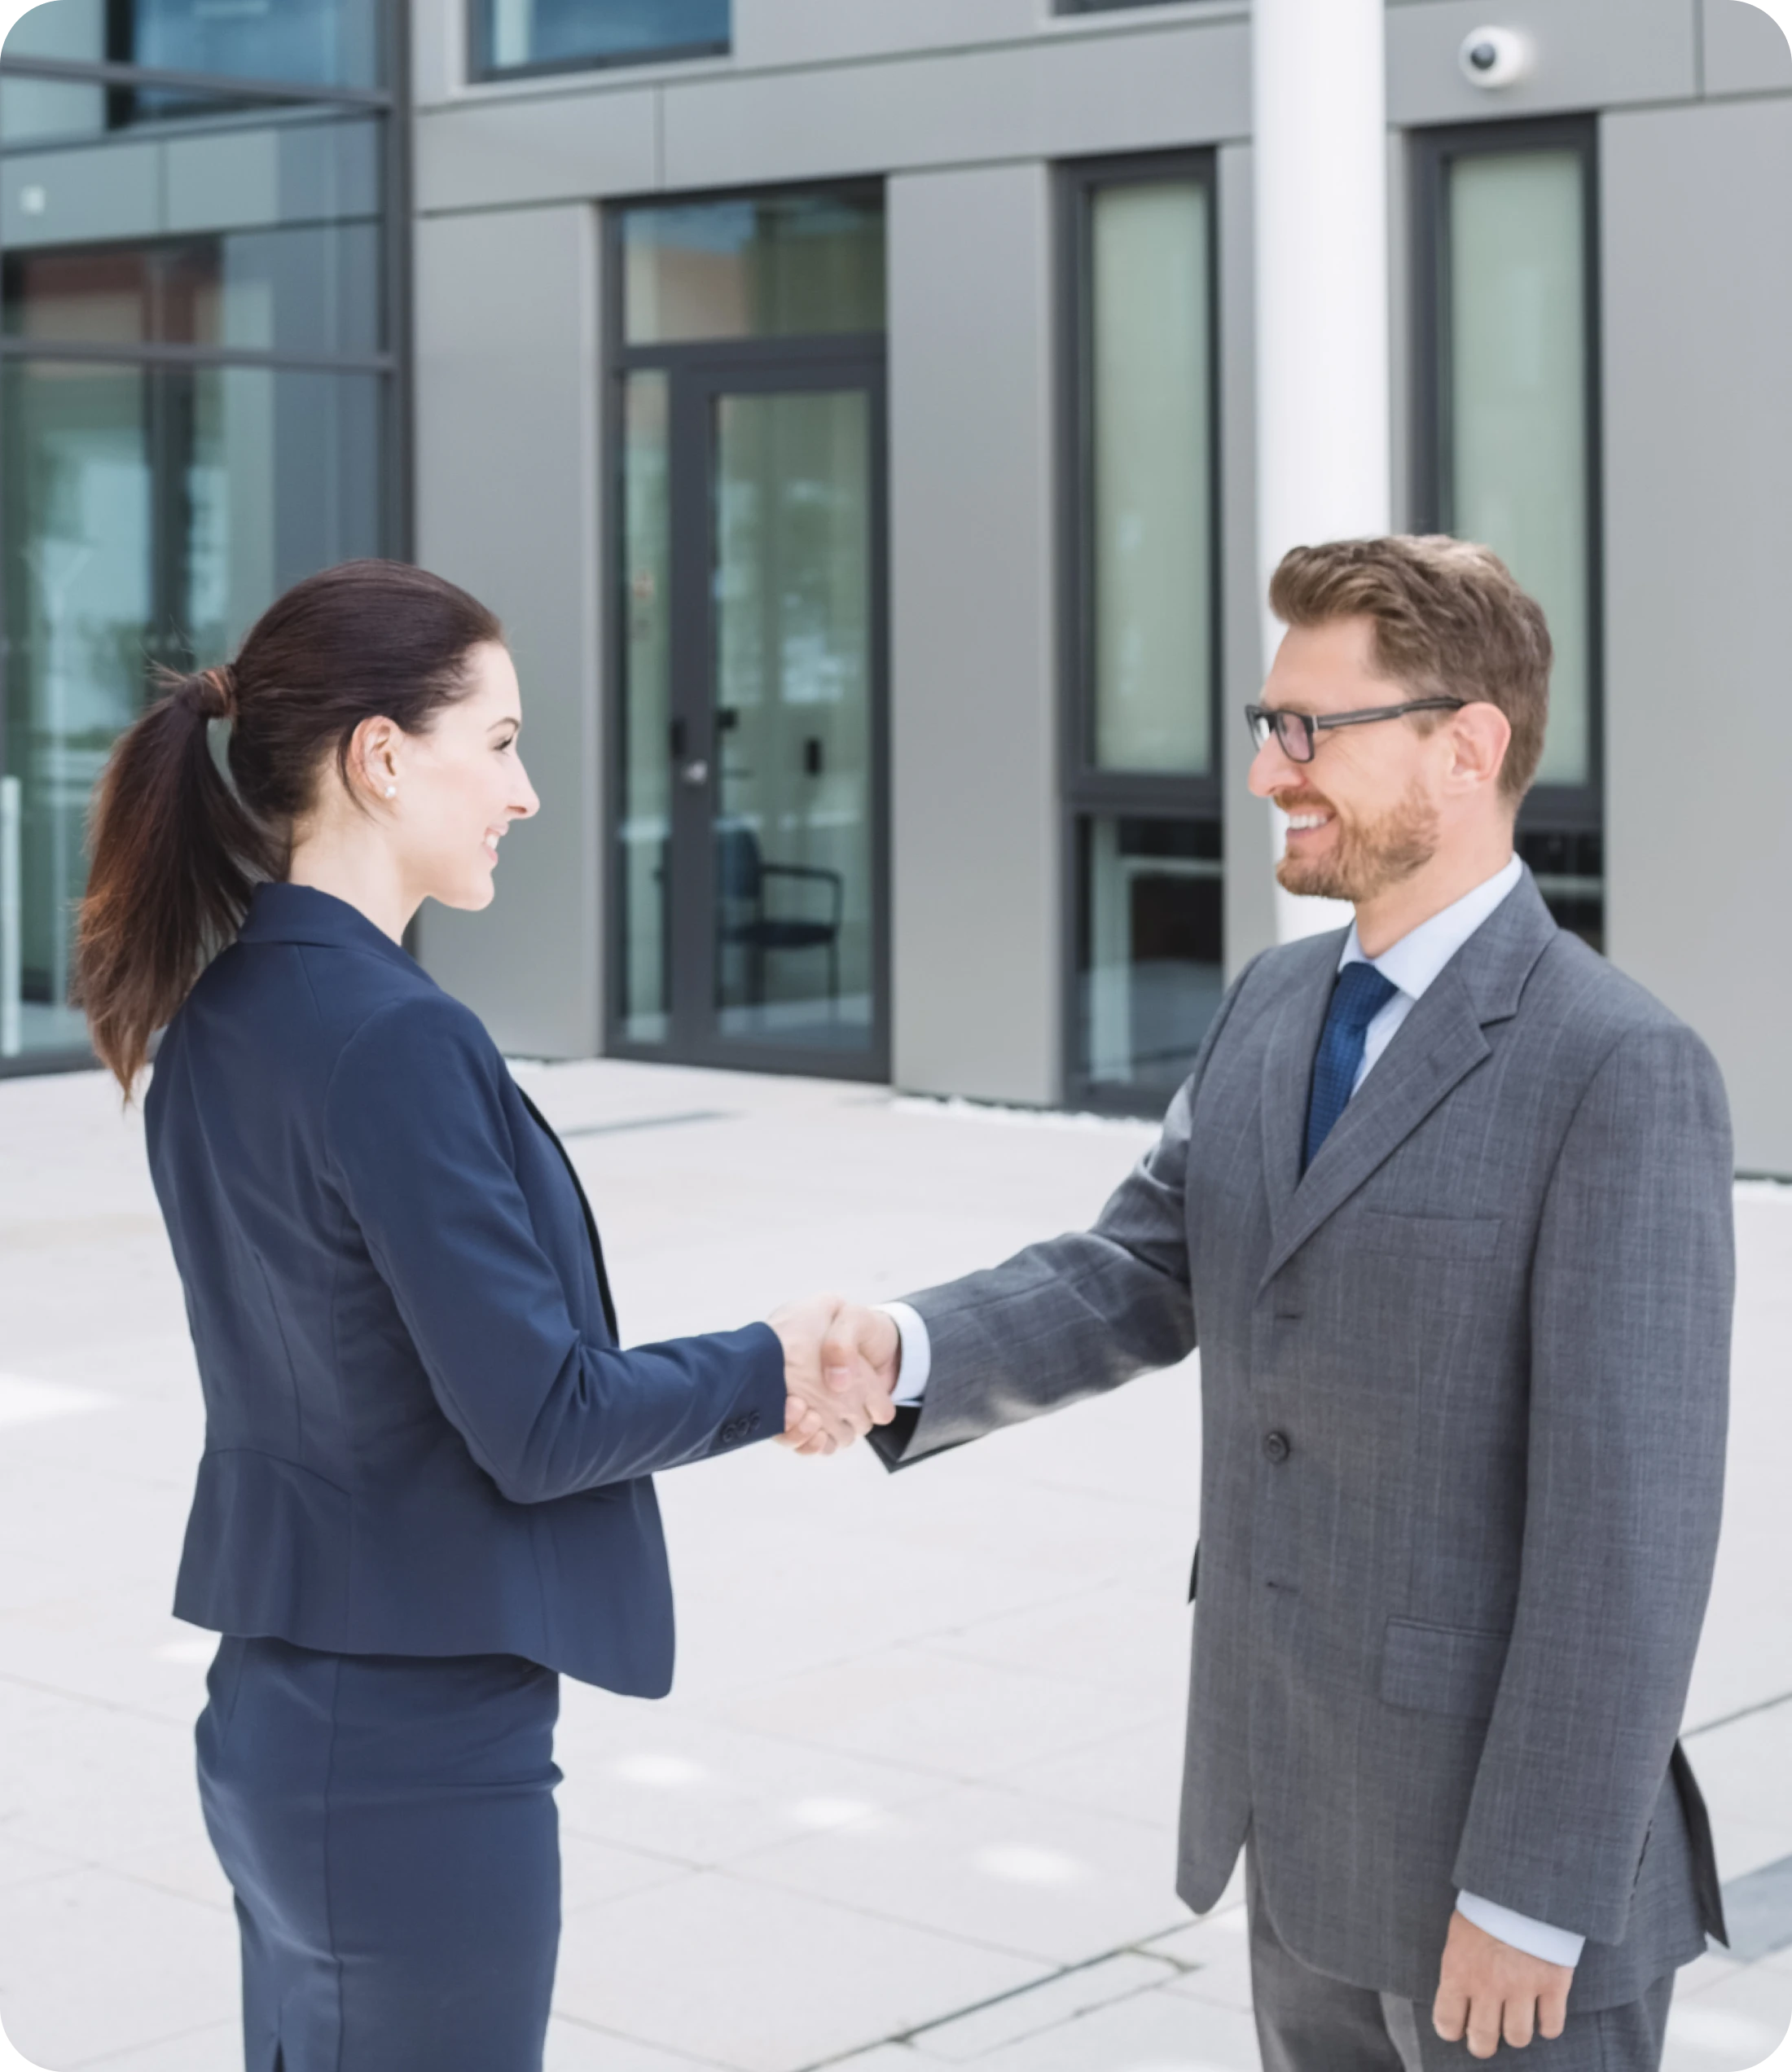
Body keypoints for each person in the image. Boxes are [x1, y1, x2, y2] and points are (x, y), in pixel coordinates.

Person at [815, 538, 1732, 2070]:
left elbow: (1630, 1537)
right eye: (1265, 724)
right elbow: (1141, 1264)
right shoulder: (1270, 1003)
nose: (1266, 772)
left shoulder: (1617, 1068)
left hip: (1501, 1892)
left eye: (1310, 730)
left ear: (1470, 745)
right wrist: (909, 1348)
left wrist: (1534, 1888)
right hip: (1298, 1829)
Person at [75, 559, 889, 2072]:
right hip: (416, 1755)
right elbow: (539, 1420)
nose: (525, 791)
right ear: (382, 758)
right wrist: (774, 1361)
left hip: (284, 1715)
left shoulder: (215, 1021)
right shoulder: (395, 1038)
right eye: (501, 742)